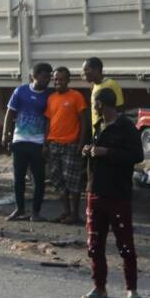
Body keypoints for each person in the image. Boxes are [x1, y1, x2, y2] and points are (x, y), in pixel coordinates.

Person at [81, 89, 143, 298]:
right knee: (94, 244)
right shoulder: (98, 126)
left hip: (118, 194)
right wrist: (88, 151)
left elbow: (137, 155)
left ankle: (132, 289)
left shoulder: (125, 127)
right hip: (95, 191)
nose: (94, 107)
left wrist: (106, 152)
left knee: (125, 244)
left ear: (102, 104)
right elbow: (93, 151)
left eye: (95, 103)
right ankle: (99, 287)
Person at [2, 62, 53, 222]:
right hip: (20, 141)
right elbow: (10, 112)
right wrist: (6, 134)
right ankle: (19, 209)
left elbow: (50, 120)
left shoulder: (50, 95)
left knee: (38, 179)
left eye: (49, 77)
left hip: (38, 143)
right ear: (34, 76)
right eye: (44, 77)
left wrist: (46, 143)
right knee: (19, 178)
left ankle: (35, 212)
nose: (47, 81)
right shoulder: (21, 91)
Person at [44, 66, 88, 225]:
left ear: (68, 80)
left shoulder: (76, 96)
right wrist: (45, 143)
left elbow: (83, 121)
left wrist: (81, 143)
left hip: (71, 145)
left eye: (61, 79)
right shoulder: (51, 98)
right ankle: (66, 212)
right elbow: (48, 121)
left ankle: (75, 214)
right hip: (54, 144)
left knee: (73, 181)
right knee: (58, 180)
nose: (58, 82)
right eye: (55, 79)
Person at [82, 56, 123, 128]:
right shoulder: (93, 86)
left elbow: (120, 109)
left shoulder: (111, 84)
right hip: (97, 132)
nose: (84, 73)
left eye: (86, 70)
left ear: (96, 69)